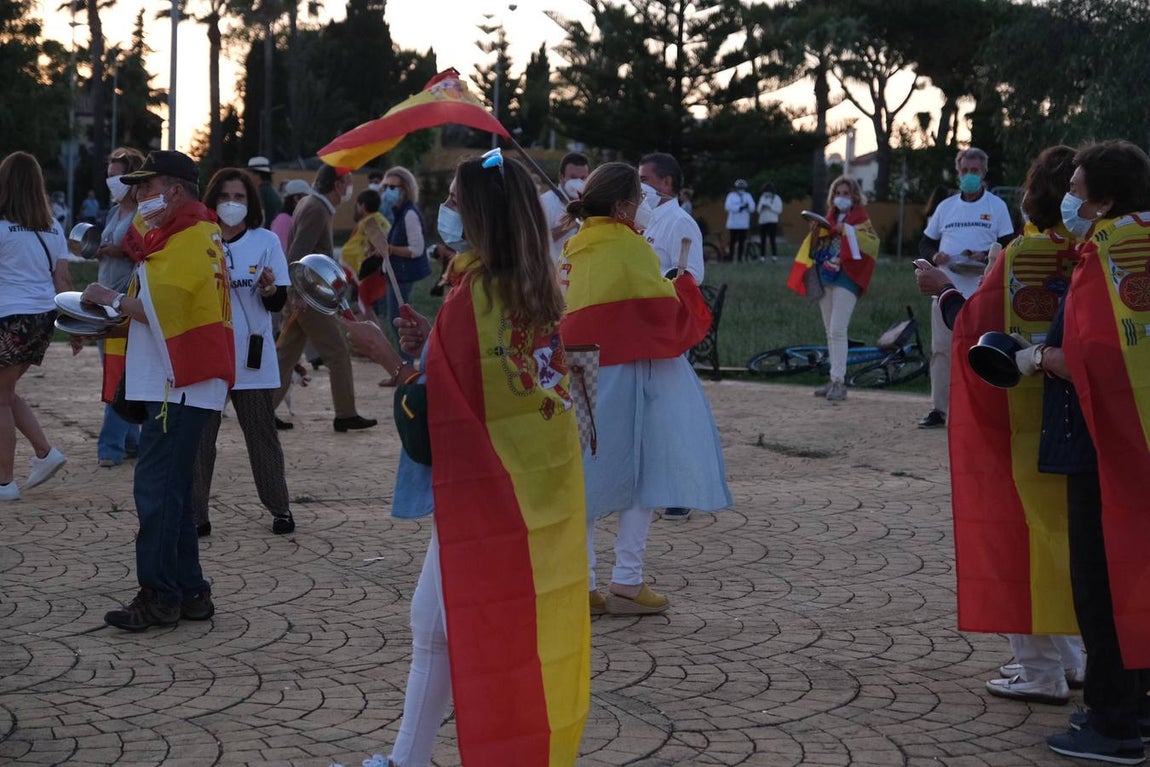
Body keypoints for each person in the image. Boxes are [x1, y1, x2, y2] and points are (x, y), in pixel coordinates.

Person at [337, 149, 590, 767]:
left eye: (453, 199)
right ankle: (407, 758)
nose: (446, 211)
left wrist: (385, 355)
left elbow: (436, 421)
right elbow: (494, 378)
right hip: (532, 490)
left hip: (486, 495)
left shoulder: (473, 298)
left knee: (464, 632)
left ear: (478, 213)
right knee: (432, 623)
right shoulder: (530, 285)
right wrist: (432, 346)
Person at [920, 146, 1086, 708]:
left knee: (1022, 539)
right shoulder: (1095, 252)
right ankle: (1076, 656)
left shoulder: (1022, 256)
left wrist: (941, 288)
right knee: (1071, 538)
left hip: (1019, 419)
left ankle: (1039, 669)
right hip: (1084, 421)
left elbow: (972, 329)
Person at [560, 162, 732, 615]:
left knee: (585, 479)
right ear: (621, 206)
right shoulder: (631, 249)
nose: (644, 208)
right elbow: (668, 317)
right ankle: (628, 580)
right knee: (640, 475)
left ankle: (583, 585)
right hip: (631, 372)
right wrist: (685, 288)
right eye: (638, 200)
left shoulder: (573, 249)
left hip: (581, 371)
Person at [80, 150, 234, 631]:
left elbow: (157, 310)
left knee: (157, 493)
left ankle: (159, 596)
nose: (139, 196)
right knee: (174, 495)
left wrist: (108, 299)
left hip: (179, 385)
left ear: (174, 191)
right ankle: (190, 592)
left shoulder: (187, 237)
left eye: (147, 188)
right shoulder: (195, 232)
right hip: (183, 382)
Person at [1042, 140, 1150, 764]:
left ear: (1105, 200)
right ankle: (1138, 705)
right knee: (1140, 576)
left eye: (1078, 189)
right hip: (1143, 443)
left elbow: (1082, 357)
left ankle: (1112, 726)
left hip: (1101, 443)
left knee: (1103, 585)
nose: (1070, 199)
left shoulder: (1101, 255)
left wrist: (1036, 357)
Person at [191, 168, 295, 537]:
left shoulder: (265, 241)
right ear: (212, 201)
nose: (232, 204)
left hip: (252, 357)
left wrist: (268, 291)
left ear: (250, 203)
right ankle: (197, 515)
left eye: (239, 197)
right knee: (202, 438)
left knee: (261, 436)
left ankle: (280, 508)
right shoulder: (198, 239)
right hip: (209, 355)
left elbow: (279, 298)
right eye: (224, 197)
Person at [272, 164, 376, 432]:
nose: (350, 188)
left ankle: (263, 411)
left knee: (286, 355)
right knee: (338, 353)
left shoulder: (311, 205)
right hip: (308, 298)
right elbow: (297, 254)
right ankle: (345, 413)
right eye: (348, 182)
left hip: (304, 296)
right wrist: (296, 294)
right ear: (338, 184)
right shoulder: (316, 209)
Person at [917, 148, 1015, 428]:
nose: (969, 176)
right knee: (941, 350)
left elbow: (1009, 244)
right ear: (957, 172)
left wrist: (984, 256)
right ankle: (939, 409)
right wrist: (934, 256)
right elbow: (925, 242)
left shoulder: (996, 206)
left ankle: (978, 409)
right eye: (965, 171)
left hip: (981, 291)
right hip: (944, 288)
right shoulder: (946, 207)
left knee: (978, 351)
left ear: (984, 174)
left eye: (975, 171)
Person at [637, 151, 706, 522]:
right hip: (643, 327)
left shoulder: (680, 222)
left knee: (672, 410)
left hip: (670, 327)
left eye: (646, 179)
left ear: (666, 183)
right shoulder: (642, 220)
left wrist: (659, 283)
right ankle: (654, 485)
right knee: (648, 410)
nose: (641, 186)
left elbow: (692, 274)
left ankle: (681, 490)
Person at [0, 151, 73, 501]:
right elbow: (63, 279)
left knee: (0, 397)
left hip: (9, 318)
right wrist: (74, 328)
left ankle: (5, 482)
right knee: (5, 391)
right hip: (44, 319)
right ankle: (45, 453)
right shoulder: (53, 226)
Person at [785, 176, 879, 401]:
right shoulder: (828, 218)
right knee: (830, 331)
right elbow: (816, 247)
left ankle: (839, 382)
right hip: (826, 276)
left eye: (846, 193)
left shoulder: (861, 219)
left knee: (838, 329)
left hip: (848, 278)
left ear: (854, 196)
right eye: (838, 193)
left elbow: (871, 244)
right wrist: (818, 231)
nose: (842, 197)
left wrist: (845, 230)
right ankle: (834, 378)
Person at [95, 147, 146, 468]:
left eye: (119, 175)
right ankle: (131, 440)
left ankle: (110, 446)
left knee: (117, 373)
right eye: (110, 174)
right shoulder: (116, 212)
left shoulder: (141, 214)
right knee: (117, 372)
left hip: (123, 300)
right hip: (105, 299)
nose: (112, 180)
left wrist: (112, 251)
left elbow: (137, 251)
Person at [374, 166, 429, 364]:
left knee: (400, 322)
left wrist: (390, 249)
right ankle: (404, 365)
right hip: (396, 273)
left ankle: (407, 366)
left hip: (403, 274)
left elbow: (417, 249)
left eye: (393, 187)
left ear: (405, 188)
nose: (388, 191)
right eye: (386, 186)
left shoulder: (409, 214)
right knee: (395, 320)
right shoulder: (398, 213)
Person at [341, 188, 391, 323]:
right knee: (368, 304)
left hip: (365, 268)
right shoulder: (383, 220)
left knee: (365, 304)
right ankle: (372, 328)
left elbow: (352, 246)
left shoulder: (363, 223)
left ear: (362, 206)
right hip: (380, 267)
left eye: (357, 205)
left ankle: (373, 332)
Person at [539, 151, 591, 263]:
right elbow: (538, 239)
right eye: (572, 177)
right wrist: (570, 224)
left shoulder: (593, 203)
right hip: (554, 272)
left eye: (583, 178)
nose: (578, 182)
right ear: (562, 177)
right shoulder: (544, 203)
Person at [270, 178, 310, 253]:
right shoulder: (283, 220)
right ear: (296, 198)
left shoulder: (293, 218)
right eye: (307, 197)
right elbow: (281, 251)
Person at [724, 178, 754, 262]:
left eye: (742, 188)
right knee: (732, 241)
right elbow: (727, 206)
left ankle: (740, 258)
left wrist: (747, 207)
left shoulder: (748, 196)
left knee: (741, 242)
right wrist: (739, 207)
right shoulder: (731, 195)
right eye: (739, 188)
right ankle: (730, 257)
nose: (741, 190)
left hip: (743, 223)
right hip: (733, 223)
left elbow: (752, 207)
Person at [246, 156, 282, 224]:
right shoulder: (270, 189)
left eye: (250, 173)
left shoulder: (261, 192)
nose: (248, 176)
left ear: (257, 174)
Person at [756, 183, 784, 260]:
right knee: (762, 239)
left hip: (772, 221)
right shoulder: (762, 198)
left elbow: (779, 210)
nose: (766, 193)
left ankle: (774, 256)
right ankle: (762, 256)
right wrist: (762, 207)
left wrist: (770, 207)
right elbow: (758, 210)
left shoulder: (776, 198)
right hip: (762, 221)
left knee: (772, 239)